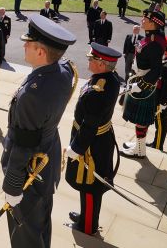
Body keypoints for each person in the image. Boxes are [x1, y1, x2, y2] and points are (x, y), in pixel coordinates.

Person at [1, 15, 76, 248]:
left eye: (29, 43)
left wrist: (13, 187)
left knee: (25, 234)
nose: (24, 45)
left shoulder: (33, 94)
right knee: (41, 224)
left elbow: (23, 144)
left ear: (41, 52)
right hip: (47, 160)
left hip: (30, 174)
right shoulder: (63, 71)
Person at [65, 43, 121, 235]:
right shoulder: (107, 78)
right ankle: (85, 216)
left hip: (92, 144)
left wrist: (77, 148)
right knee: (86, 185)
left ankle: (88, 226)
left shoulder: (99, 89)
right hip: (98, 139)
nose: (89, 60)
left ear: (102, 64)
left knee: (90, 186)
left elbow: (90, 124)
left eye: (92, 59)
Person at [121, 5, 166, 158]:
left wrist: (139, 86)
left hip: (144, 85)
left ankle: (140, 151)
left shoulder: (154, 43)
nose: (142, 20)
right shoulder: (148, 38)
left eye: (145, 19)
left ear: (153, 23)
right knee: (139, 120)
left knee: (141, 120)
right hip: (139, 79)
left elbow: (156, 71)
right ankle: (139, 145)